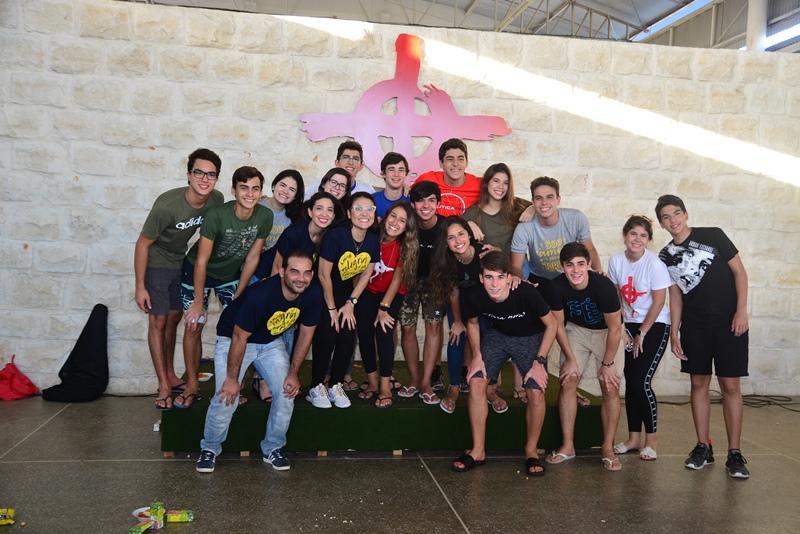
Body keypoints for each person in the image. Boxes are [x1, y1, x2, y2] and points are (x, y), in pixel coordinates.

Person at [195, 250, 322, 473]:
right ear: (282, 272)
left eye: (306, 273)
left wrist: (293, 373)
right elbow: (239, 337)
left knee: (286, 392)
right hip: (234, 339)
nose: (301, 278)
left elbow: (306, 334)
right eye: (294, 272)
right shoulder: (261, 295)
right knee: (226, 396)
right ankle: (210, 448)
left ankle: (273, 447)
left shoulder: (313, 294)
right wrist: (233, 379)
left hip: (270, 342)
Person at [656, 194, 751, 479]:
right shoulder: (665, 256)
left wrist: (741, 311)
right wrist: (674, 331)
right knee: (698, 383)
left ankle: (734, 453)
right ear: (662, 224)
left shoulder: (713, 236)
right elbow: (675, 295)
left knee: (730, 385)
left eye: (676, 213)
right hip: (694, 326)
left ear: (685, 214)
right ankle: (702, 447)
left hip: (729, 322)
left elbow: (740, 273)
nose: (673, 220)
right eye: (666, 217)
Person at [452, 251, 557, 476]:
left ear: (509, 278)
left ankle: (531, 452)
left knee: (535, 391)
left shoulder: (526, 293)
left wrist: (539, 362)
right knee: (476, 381)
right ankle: (478, 451)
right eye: (489, 277)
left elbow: (552, 325)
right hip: (498, 336)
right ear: (481, 278)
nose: (494, 284)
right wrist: (477, 356)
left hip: (530, 338)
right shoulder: (474, 295)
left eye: (500, 277)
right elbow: (472, 323)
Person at [134, 148, 224, 409]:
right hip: (156, 262)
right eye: (199, 172)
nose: (204, 179)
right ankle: (163, 385)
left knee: (174, 318)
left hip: (180, 261)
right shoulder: (167, 206)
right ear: (188, 175)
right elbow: (142, 244)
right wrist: (140, 286)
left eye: (211, 174)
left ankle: (172, 375)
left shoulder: (216, 199)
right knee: (158, 321)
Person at [178, 166, 274, 409]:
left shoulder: (264, 216)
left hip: (229, 274)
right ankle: (192, 384)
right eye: (244, 188)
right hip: (197, 270)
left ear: (260, 192)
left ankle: (233, 384)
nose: (250, 194)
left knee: (239, 326)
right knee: (194, 324)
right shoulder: (217, 216)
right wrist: (198, 302)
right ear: (233, 190)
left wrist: (240, 293)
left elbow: (253, 258)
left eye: (255, 189)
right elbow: (201, 260)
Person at [545, 242, 623, 471]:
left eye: (581, 264)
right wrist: (570, 359)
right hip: (576, 330)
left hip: (606, 333)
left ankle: (607, 447)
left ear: (589, 265)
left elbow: (615, 328)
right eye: (570, 265)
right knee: (568, 380)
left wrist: (608, 363)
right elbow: (559, 326)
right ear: (562, 267)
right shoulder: (556, 286)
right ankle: (568, 445)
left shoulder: (604, 287)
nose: (576, 270)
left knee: (610, 386)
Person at [464, 163, 532, 400]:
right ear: (486, 183)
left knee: (520, 325)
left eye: (505, 182)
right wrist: (467, 224)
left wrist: (531, 210)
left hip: (514, 272)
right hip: (490, 278)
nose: (500, 187)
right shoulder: (474, 213)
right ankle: (492, 381)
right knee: (491, 329)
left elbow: (544, 204)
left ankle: (520, 383)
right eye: (496, 181)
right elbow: (452, 229)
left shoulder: (515, 207)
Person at [607, 215, 672, 461]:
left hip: (654, 324)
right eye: (633, 233)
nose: (637, 239)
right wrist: (622, 327)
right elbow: (616, 297)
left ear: (648, 240)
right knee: (631, 382)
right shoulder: (616, 260)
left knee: (641, 381)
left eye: (643, 235)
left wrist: (642, 333)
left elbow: (659, 302)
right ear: (625, 235)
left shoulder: (654, 265)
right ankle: (633, 438)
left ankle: (651, 442)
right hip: (629, 324)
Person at [307, 192, 380, 409]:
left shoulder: (372, 239)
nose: (364, 213)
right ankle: (316, 386)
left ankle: (336, 384)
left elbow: (366, 274)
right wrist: (331, 308)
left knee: (348, 335)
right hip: (322, 292)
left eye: (369, 209)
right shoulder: (336, 236)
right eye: (358, 208)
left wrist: (350, 303)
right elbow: (323, 274)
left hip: (346, 296)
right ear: (349, 213)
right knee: (328, 333)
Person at [428, 217, 506, 415]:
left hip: (485, 304)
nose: (457, 241)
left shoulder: (484, 254)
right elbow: (453, 292)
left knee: (490, 339)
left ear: (469, 235)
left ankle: (490, 388)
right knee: (457, 337)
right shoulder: (447, 260)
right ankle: (454, 387)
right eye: (451, 237)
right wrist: (457, 321)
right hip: (460, 303)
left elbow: (499, 277)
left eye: (461, 234)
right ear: (446, 242)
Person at [355, 202, 418, 407]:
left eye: (402, 221)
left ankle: (384, 386)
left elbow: (397, 279)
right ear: (385, 217)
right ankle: (372, 381)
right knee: (364, 330)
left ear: (406, 227)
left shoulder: (404, 246)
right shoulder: (371, 237)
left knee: (383, 330)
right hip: (369, 289)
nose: (395, 223)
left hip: (392, 292)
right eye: (393, 216)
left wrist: (384, 308)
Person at [510, 176, 602, 296]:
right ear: (533, 202)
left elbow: (589, 249)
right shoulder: (524, 228)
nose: (544, 202)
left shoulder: (576, 218)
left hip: (569, 276)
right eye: (539, 198)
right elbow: (516, 266)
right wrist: (522, 281)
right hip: (539, 278)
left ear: (558, 200)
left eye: (550, 197)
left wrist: (599, 273)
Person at [397, 181, 446, 403]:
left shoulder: (445, 226)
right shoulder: (406, 225)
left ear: (438, 203)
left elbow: (466, 243)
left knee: (433, 327)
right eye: (420, 200)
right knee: (407, 329)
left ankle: (426, 382)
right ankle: (414, 380)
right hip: (408, 282)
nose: (426, 205)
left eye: (431, 200)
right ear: (412, 204)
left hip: (434, 284)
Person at [414, 138, 481, 217]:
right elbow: (407, 196)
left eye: (460, 159)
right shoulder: (427, 180)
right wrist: (404, 186)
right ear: (441, 163)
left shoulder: (479, 185)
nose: (455, 164)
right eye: (450, 159)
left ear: (466, 162)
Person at [304, 140, 374, 200]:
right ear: (337, 163)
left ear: (361, 166)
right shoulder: (317, 186)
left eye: (355, 159)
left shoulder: (367, 191)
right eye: (346, 157)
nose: (350, 162)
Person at [372, 152, 411, 219]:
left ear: (406, 174)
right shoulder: (372, 201)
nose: (396, 174)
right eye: (391, 169)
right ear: (383, 174)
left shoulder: (412, 201)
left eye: (401, 170)